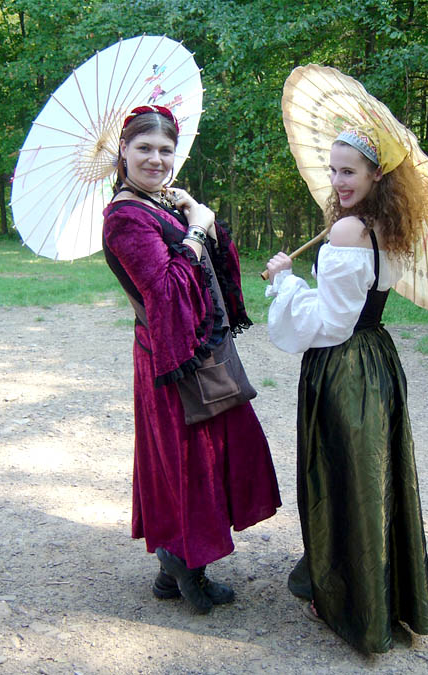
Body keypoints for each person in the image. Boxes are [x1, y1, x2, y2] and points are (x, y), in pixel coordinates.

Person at [102, 105, 281, 614]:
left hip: (192, 350)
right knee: (186, 459)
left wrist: (196, 217)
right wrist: (198, 231)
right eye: (145, 149)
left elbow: (207, 265)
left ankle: (168, 569)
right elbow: (167, 290)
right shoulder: (124, 217)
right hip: (171, 358)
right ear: (123, 152)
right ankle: (187, 568)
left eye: (165, 150)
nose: (157, 159)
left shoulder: (157, 204)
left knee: (206, 452)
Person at [265, 126, 428, 653]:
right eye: (333, 170)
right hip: (379, 361)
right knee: (375, 475)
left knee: (338, 474)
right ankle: (384, 594)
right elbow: (361, 302)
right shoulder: (391, 224)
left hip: (342, 368)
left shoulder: (346, 233)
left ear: (375, 174)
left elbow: (330, 322)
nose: (338, 181)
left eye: (349, 171)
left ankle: (346, 599)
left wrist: (284, 282)